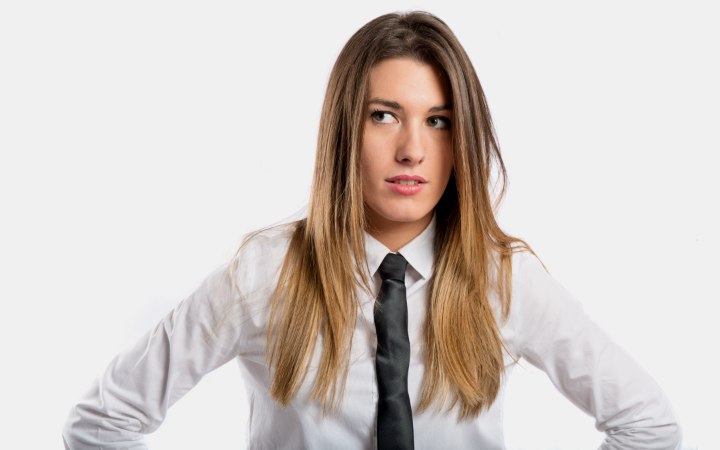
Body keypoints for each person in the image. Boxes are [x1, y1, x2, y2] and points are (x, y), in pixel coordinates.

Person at [63, 11, 682, 449]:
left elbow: (647, 425)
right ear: (342, 132)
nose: (413, 149)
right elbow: (102, 423)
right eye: (385, 116)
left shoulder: (505, 279)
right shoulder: (264, 274)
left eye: (438, 121)